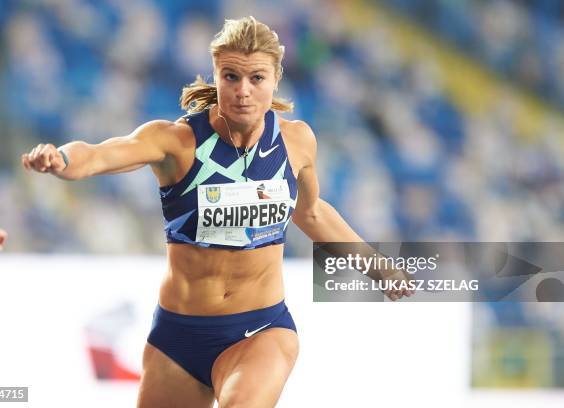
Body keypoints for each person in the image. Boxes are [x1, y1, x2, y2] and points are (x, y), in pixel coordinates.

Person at [22, 16, 412, 407]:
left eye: (256, 78)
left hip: (260, 327)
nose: (243, 91)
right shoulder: (176, 142)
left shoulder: (296, 142)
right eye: (231, 77)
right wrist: (60, 159)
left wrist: (378, 267)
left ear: (276, 78)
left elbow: (310, 213)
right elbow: (101, 154)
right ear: (216, 76)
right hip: (178, 336)